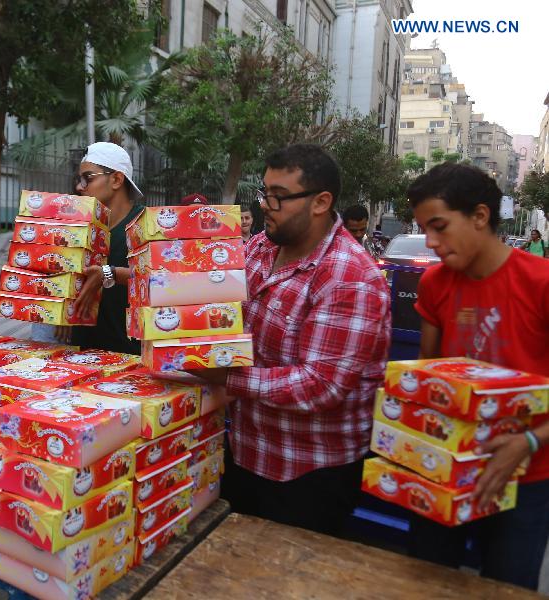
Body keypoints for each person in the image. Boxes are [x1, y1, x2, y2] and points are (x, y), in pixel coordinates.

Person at [194, 144, 391, 537]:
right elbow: (213, 292)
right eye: (264, 191)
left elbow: (321, 385)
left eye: (279, 196)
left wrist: (225, 378)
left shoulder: (349, 276)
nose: (266, 204)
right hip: (248, 450)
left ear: (320, 202)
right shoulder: (264, 247)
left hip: (309, 474)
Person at [406, 163, 549, 591]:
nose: (431, 243)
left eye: (440, 227)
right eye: (423, 230)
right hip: (447, 463)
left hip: (526, 474)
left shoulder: (540, 282)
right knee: (429, 581)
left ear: (480, 216)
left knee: (507, 585)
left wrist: (527, 442)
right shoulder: (435, 283)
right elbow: (428, 372)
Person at [69, 142, 144, 355]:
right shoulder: (79, 226)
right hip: (81, 356)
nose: (80, 187)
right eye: (79, 179)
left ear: (116, 180)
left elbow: (166, 281)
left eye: (88, 178)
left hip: (129, 359)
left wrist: (108, 273)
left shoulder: (145, 226)